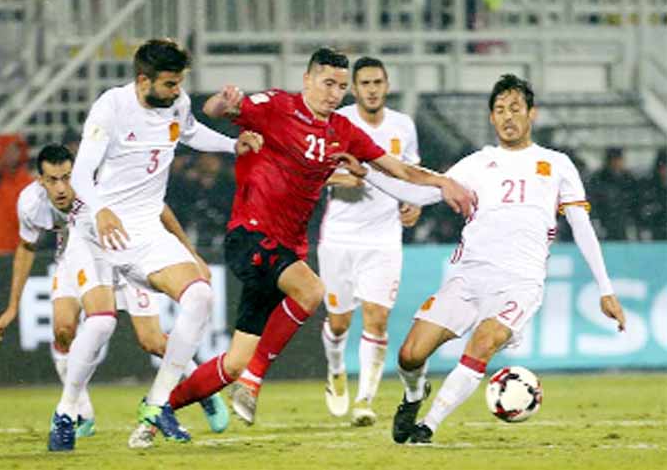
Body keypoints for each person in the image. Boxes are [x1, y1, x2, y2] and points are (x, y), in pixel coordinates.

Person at [164, 47, 472, 427]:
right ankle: (254, 381)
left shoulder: (342, 131)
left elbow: (398, 169)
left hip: (287, 247)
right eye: (328, 83)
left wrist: (442, 182)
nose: (334, 93)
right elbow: (213, 112)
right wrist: (221, 102)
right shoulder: (277, 106)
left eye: (341, 87)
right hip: (251, 234)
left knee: (235, 359)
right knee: (311, 292)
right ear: (307, 79)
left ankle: (160, 408)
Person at [341, 74, 627, 444]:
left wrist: (605, 290)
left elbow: (582, 227)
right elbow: (421, 192)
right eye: (500, 110)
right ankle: (414, 395)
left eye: (515, 108)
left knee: (484, 341)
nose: (508, 116)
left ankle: (427, 426)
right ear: (491, 118)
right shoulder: (475, 164)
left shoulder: (556, 164)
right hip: (469, 278)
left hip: (520, 283)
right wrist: (369, 175)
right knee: (410, 355)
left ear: (531, 114)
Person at [47, 38, 262, 451]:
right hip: (97, 231)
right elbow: (80, 177)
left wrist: (233, 145)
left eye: (180, 82)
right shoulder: (111, 107)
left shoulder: (176, 104)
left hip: (145, 231)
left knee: (199, 295)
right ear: (142, 80)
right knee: (101, 323)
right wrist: (101, 208)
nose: (177, 91)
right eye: (168, 84)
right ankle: (66, 409)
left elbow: (194, 133)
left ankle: (158, 403)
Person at [0, 144, 229, 443]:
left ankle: (197, 386)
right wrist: (13, 306)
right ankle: (79, 411)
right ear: (40, 180)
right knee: (65, 329)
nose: (62, 188)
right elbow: (26, 247)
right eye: (53, 180)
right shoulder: (30, 203)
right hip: (76, 256)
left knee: (152, 340)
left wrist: (190, 254)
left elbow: (157, 209)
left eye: (67, 177)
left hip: (124, 250)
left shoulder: (102, 184)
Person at [316, 56, 422, 426]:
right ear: (354, 88)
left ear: (386, 85)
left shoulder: (403, 125)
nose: (372, 89)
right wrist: (344, 179)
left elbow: (409, 173)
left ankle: (365, 401)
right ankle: (335, 370)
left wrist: (414, 203)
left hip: (384, 239)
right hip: (339, 238)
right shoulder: (337, 122)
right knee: (340, 322)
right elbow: (312, 170)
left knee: (377, 320)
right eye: (365, 83)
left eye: (378, 82)